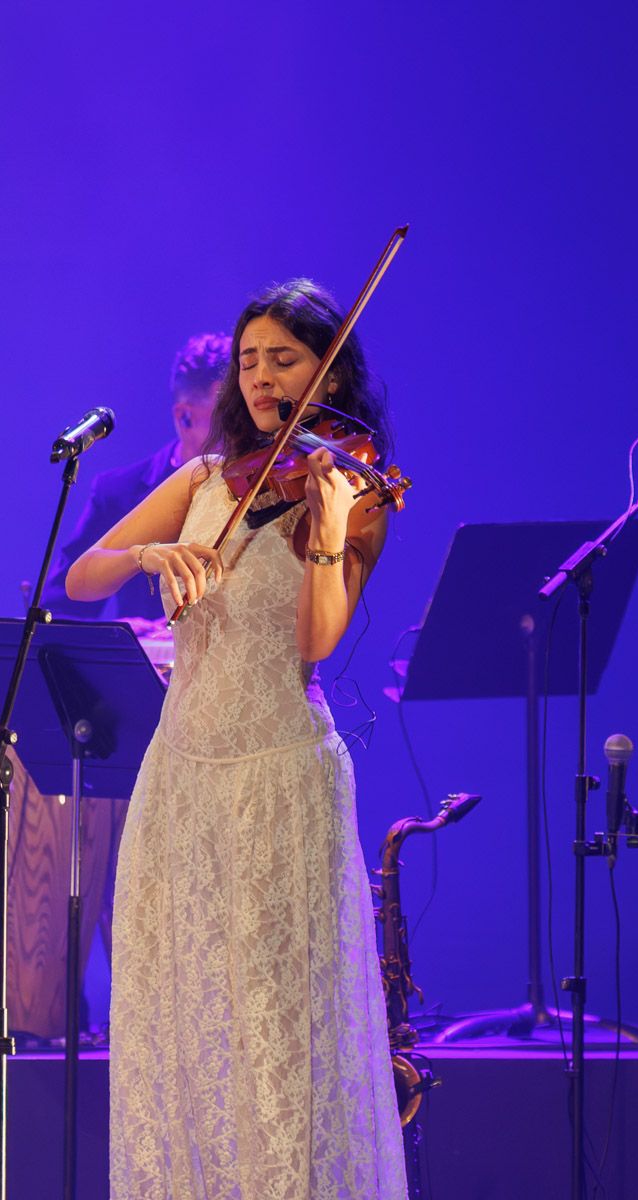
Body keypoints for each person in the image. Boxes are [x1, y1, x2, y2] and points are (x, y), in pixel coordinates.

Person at [65, 279, 406, 1199]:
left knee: (275, 1032)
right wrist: (148, 554)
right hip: (180, 780)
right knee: (179, 1024)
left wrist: (329, 528)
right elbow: (81, 579)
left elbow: (314, 641)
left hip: (280, 775)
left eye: (283, 360)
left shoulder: (351, 489)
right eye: (249, 361)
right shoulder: (207, 479)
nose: (260, 378)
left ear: (329, 370)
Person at [44, 331, 232, 620]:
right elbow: (61, 609)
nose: (239, 424)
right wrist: (126, 632)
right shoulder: (118, 492)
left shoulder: (264, 484)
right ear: (184, 417)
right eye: (227, 413)